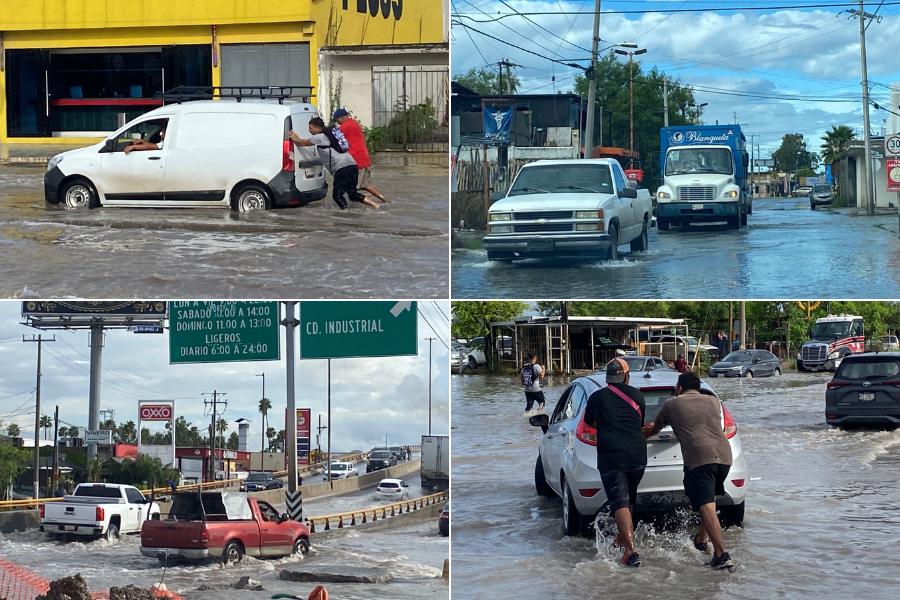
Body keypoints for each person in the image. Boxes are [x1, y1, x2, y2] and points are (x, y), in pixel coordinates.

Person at [642, 372, 735, 571]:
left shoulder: (672, 404)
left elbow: (655, 429)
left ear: (680, 388)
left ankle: (721, 555)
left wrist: (636, 435)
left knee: (706, 506)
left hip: (700, 459)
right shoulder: (713, 401)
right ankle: (701, 540)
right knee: (709, 500)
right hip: (725, 457)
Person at [583, 358, 647, 568]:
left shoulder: (597, 397)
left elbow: (589, 422)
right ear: (627, 376)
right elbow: (639, 422)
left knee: (619, 502)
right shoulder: (638, 395)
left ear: (607, 377)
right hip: (638, 456)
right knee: (628, 501)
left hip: (612, 456)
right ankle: (621, 539)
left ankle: (630, 551)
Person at [289, 117, 380, 210]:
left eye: (310, 128)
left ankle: (345, 214)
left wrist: (294, 137)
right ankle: (376, 206)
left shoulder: (319, 137)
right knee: (352, 194)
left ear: (317, 128)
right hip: (352, 165)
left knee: (337, 196)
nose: (309, 130)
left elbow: (302, 143)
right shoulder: (331, 134)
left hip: (342, 168)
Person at [333, 108, 388, 204]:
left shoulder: (344, 127)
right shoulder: (354, 123)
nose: (337, 122)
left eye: (337, 120)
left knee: (350, 188)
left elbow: (333, 139)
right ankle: (385, 201)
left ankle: (374, 205)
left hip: (356, 160)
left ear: (341, 118)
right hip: (363, 158)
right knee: (366, 185)